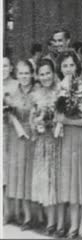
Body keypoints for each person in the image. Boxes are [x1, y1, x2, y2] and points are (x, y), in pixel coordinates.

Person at [55, 50, 82, 238]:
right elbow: (57, 116)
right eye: (65, 66)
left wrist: (69, 122)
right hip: (67, 139)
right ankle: (73, 225)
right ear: (60, 68)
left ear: (77, 66)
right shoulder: (59, 89)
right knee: (70, 181)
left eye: (72, 65)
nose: (69, 69)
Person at [29, 59, 61, 236]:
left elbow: (63, 115)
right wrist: (37, 123)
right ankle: (50, 222)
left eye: (48, 73)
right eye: (41, 74)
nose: (45, 77)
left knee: (56, 181)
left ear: (53, 73)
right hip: (43, 142)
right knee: (46, 180)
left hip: (57, 142)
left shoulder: (60, 92)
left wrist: (54, 121)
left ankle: (59, 222)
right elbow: (32, 120)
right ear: (37, 76)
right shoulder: (36, 95)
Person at [4, 60, 36, 230]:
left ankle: (36, 215)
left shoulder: (37, 91)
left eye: (27, 73)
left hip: (33, 136)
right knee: (19, 175)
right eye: (21, 73)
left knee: (31, 175)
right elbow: (8, 114)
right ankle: (24, 216)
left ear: (32, 74)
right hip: (17, 137)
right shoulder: (11, 93)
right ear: (16, 75)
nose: (24, 76)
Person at [2, 56, 19, 224]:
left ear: (11, 67)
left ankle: (16, 210)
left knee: (13, 172)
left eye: (6, 66)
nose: (3, 69)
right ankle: (6, 211)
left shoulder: (16, 85)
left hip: (13, 131)